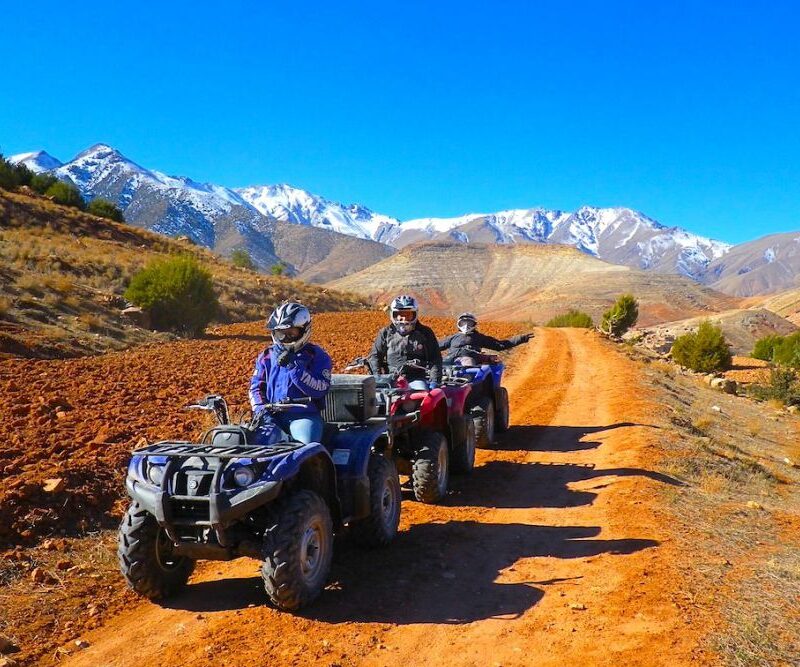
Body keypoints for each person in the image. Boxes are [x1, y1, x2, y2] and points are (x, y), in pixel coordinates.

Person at [248, 301, 332, 445]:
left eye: (291, 333)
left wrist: (294, 368)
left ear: (304, 330)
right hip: (271, 416)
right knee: (248, 444)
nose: (285, 338)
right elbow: (256, 387)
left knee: (306, 449)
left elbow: (320, 388)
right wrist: (262, 411)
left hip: (303, 417)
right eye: (280, 333)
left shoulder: (317, 355)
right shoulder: (266, 356)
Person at [368, 295, 442, 390]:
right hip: (390, 379)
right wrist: (377, 377)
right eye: (400, 314)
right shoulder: (385, 333)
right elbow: (375, 356)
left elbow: (435, 358)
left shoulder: (425, 332)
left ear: (415, 314)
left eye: (408, 315)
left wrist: (435, 381)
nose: (404, 318)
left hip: (416, 379)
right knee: (375, 400)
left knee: (420, 398)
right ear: (393, 315)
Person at [439, 312, 533, 362]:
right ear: (458, 324)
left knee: (468, 362)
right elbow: (435, 346)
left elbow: (500, 345)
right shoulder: (452, 338)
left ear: (474, 324)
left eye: (469, 323)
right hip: (450, 362)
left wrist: (521, 338)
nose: (466, 326)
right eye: (463, 323)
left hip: (469, 363)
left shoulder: (479, 337)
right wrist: (424, 346)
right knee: (439, 365)